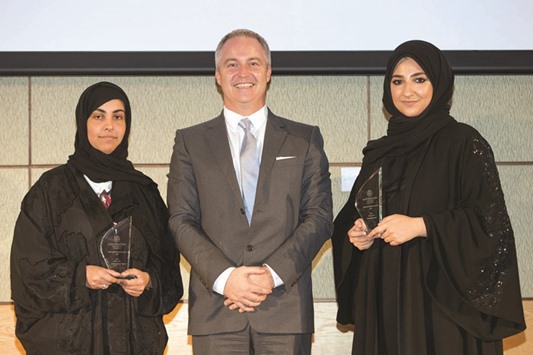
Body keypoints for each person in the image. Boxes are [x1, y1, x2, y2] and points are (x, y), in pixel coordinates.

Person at [332, 40, 526, 355]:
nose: (407, 90)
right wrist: (357, 237)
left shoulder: (464, 143)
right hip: (385, 301)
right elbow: (349, 220)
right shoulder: (379, 153)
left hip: (444, 309)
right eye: (398, 81)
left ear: (439, 83)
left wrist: (423, 226)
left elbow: (491, 225)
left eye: (419, 79)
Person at [167, 29, 333, 354]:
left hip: (284, 310)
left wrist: (271, 275)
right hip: (217, 311)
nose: (243, 74)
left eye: (253, 63)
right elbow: (181, 220)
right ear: (217, 76)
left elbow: (319, 217)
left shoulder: (304, 138)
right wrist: (226, 277)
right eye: (231, 64)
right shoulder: (190, 142)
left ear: (268, 72)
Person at [10, 81, 183, 355]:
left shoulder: (144, 193)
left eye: (118, 116)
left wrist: (149, 282)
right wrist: (81, 276)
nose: (109, 126)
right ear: (83, 122)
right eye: (98, 116)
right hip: (70, 341)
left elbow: (169, 269)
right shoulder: (51, 190)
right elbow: (28, 268)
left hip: (132, 340)